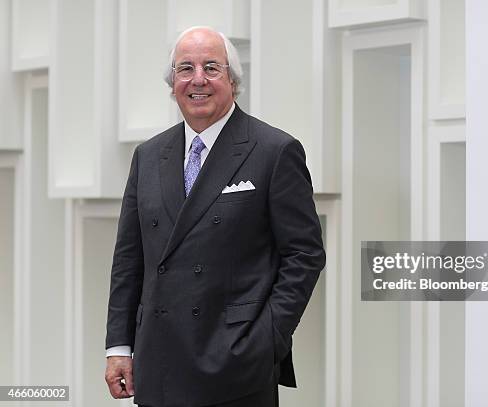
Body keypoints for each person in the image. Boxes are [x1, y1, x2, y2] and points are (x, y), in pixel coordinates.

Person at [104, 26, 325, 407]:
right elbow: (129, 259)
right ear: (173, 83)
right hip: (159, 362)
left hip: (236, 367)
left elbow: (304, 255)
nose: (198, 80)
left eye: (211, 67)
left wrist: (267, 337)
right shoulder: (148, 156)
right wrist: (119, 347)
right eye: (185, 69)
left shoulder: (274, 150)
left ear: (233, 81)